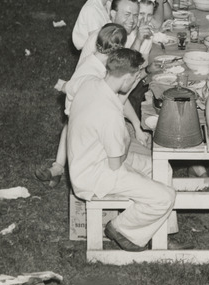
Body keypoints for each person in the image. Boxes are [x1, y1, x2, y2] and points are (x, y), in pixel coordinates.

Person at [68, 48, 177, 252]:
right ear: (127, 76)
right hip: (95, 175)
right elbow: (116, 163)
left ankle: (159, 235)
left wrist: (139, 76)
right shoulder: (109, 115)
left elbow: (118, 96)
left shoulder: (91, 83)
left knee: (162, 169)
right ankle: (120, 228)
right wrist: (127, 139)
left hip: (87, 159)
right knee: (166, 197)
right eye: (134, 76)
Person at [34, 23, 141, 187]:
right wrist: (136, 123)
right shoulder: (96, 73)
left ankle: (58, 168)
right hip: (84, 117)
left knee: (70, 131)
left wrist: (64, 87)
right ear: (117, 50)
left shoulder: (93, 60)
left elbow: (69, 86)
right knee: (118, 136)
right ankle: (113, 170)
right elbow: (115, 103)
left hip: (76, 113)